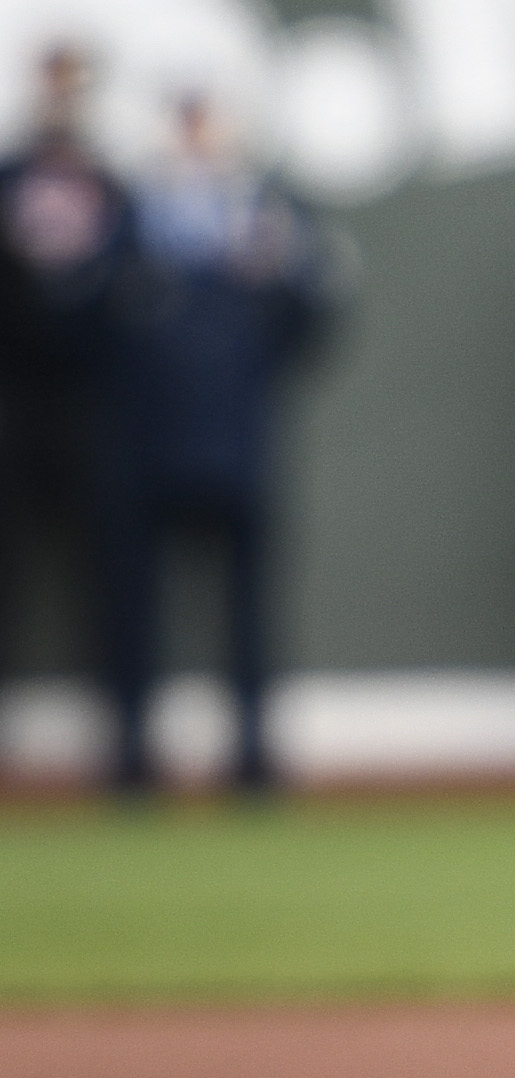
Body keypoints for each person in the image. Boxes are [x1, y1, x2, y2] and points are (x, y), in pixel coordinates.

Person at [100, 92, 340, 795]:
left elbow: (312, 321)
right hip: (142, 440)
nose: (198, 134)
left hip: (239, 437)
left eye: (209, 118)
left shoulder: (267, 220)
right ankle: (132, 762)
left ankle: (253, 761)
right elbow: (86, 324)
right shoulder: (131, 218)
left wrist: (280, 272)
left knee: (250, 612)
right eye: (185, 119)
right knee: (132, 609)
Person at [0, 47, 131, 754]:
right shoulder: (10, 177)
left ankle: (124, 741)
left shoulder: (113, 186)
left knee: (110, 577)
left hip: (91, 412)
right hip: (15, 408)